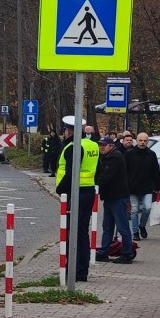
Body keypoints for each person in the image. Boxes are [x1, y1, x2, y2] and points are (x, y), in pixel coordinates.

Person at [55, 117, 99, 281]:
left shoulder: (73, 147)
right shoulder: (92, 145)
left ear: (69, 130)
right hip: (89, 191)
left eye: (65, 130)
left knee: (72, 233)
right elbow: (98, 169)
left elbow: (71, 173)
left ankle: (72, 271)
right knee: (82, 233)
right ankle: (81, 271)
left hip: (75, 193)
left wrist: (60, 190)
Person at [95, 136, 135, 264]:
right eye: (100, 145)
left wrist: (95, 185)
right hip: (110, 197)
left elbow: (106, 176)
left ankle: (127, 253)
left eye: (104, 145)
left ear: (111, 146)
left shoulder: (115, 157)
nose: (101, 147)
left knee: (122, 226)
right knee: (107, 226)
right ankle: (104, 252)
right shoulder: (107, 156)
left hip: (118, 197)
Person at [124, 132, 160, 240]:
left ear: (147, 142)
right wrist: (125, 184)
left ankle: (142, 225)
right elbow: (125, 171)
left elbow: (156, 171)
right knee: (134, 210)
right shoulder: (129, 154)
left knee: (147, 208)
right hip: (132, 187)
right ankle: (135, 232)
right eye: (140, 140)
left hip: (147, 187)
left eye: (145, 141)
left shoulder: (151, 154)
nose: (142, 142)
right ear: (137, 140)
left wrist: (158, 186)